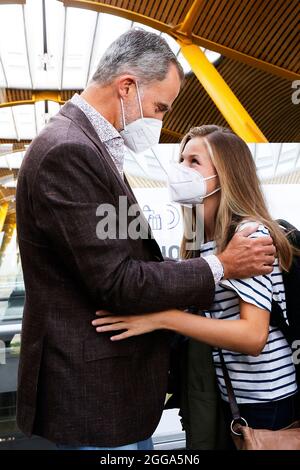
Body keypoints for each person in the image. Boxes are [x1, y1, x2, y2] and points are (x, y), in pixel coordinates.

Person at [16, 29, 276, 450]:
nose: (159, 120)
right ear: (127, 86)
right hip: (95, 395)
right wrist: (222, 266)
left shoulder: (85, 146)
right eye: (159, 107)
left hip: (110, 391)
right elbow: (118, 280)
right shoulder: (69, 150)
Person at [93, 125, 298, 447]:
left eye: (194, 161)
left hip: (263, 398)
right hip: (226, 393)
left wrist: (161, 319)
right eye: (181, 159)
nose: (181, 170)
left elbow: (253, 336)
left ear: (225, 174)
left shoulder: (249, 237)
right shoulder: (201, 243)